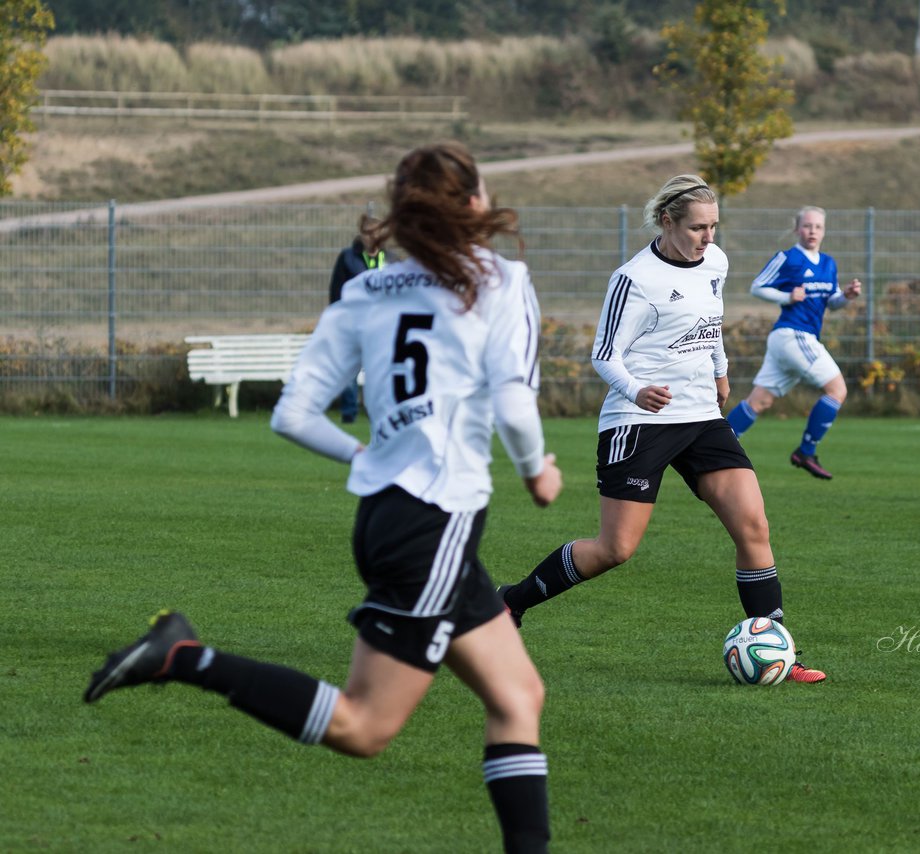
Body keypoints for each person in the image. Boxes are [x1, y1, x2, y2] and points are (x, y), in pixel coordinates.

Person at [85, 143, 564, 854]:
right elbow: (518, 409)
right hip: (432, 525)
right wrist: (537, 474)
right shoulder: (499, 280)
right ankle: (183, 656)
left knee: (518, 696)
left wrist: (363, 451)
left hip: (391, 516)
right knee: (364, 727)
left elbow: (293, 414)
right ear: (472, 204)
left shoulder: (367, 292)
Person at [498, 174, 827, 684]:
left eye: (714, 226)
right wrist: (636, 391)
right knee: (615, 550)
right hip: (640, 421)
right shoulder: (634, 278)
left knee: (753, 526)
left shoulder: (715, 262)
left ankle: (780, 651)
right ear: (667, 221)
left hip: (700, 417)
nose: (708, 238)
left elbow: (710, 324)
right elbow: (604, 355)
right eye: (698, 227)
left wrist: (720, 372)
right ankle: (509, 603)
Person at [725, 206, 861, 479]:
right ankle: (805, 452)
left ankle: (713, 444)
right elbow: (757, 286)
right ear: (797, 229)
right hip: (793, 334)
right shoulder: (787, 258)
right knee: (837, 390)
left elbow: (831, 303)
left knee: (759, 402)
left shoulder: (828, 263)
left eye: (818, 227)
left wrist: (845, 296)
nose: (812, 231)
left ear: (824, 231)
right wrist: (787, 297)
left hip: (791, 340)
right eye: (807, 226)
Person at [328, 234, 392, 423]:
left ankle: (381, 412)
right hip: (353, 322)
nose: (373, 237)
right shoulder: (348, 258)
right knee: (349, 370)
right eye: (369, 233)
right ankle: (349, 413)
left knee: (381, 370)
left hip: (382, 324)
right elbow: (336, 290)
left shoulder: (390, 259)